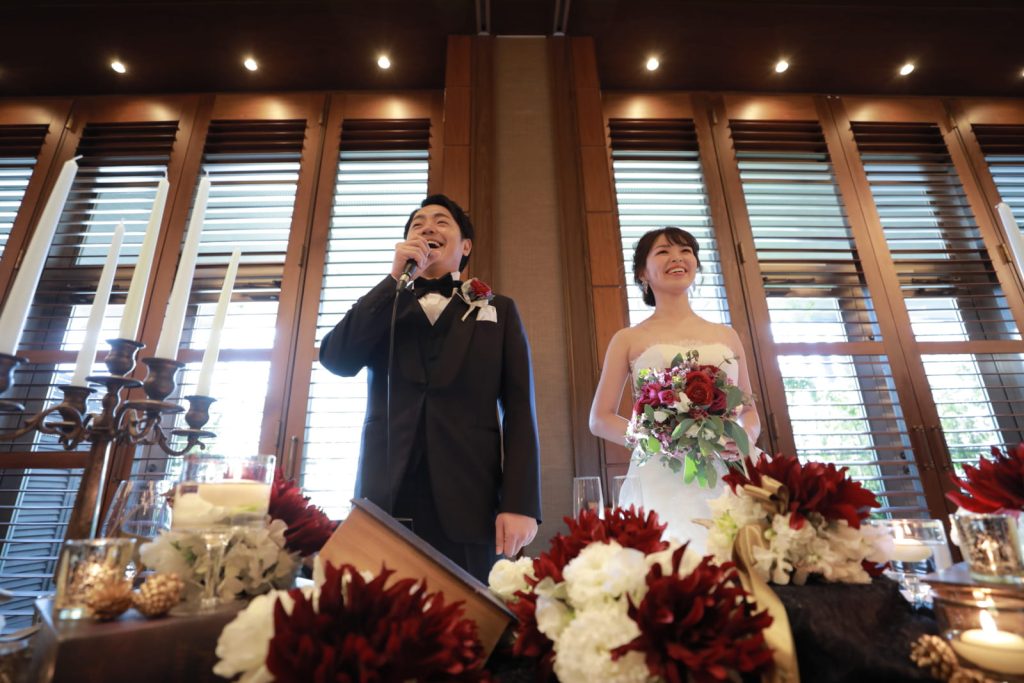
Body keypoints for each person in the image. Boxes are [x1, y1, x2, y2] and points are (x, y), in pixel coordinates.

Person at [319, 194, 541, 583]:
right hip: (386, 494)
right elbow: (337, 359)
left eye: (441, 221)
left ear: (465, 246)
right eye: (418, 223)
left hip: (470, 497)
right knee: (383, 611)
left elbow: (520, 410)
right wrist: (393, 281)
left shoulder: (500, 310)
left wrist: (521, 502)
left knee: (471, 614)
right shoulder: (385, 304)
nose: (427, 227)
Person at [588, 227, 760, 552]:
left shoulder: (727, 335)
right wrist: (659, 441)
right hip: (663, 472)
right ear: (642, 273)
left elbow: (748, 410)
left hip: (729, 464)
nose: (677, 258)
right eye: (663, 251)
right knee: (672, 559)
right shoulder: (628, 338)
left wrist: (743, 439)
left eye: (686, 251)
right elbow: (600, 419)